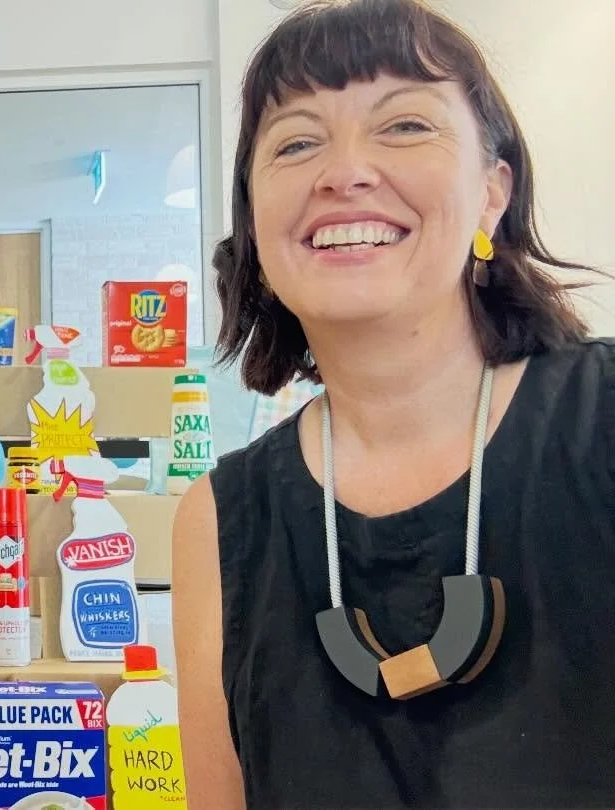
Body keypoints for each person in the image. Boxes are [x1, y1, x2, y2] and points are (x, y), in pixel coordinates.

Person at [173, 0, 614, 807]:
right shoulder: (218, 520)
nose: (343, 172)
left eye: (405, 126)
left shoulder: (601, 422)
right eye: (298, 142)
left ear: (492, 194)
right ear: (257, 230)